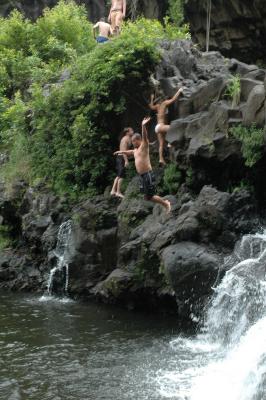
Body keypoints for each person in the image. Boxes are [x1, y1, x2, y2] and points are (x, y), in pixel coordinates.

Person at [114, 117, 171, 213]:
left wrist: (143, 125)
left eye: (133, 141)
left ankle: (166, 204)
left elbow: (144, 136)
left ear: (138, 140)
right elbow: (129, 152)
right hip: (142, 175)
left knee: (150, 196)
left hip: (148, 174)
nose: (132, 143)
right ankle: (165, 202)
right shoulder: (135, 150)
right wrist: (120, 151)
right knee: (147, 197)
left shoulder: (144, 145)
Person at [149, 88, 183, 166]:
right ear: (163, 98)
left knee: (161, 144)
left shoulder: (157, 106)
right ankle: (170, 143)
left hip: (157, 127)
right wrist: (179, 91)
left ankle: (161, 159)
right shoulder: (164, 103)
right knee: (173, 127)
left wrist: (151, 98)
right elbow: (173, 99)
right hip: (161, 126)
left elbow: (151, 106)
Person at [111, 127, 134, 198]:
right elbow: (123, 151)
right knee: (122, 175)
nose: (133, 131)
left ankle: (113, 191)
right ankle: (118, 192)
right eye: (131, 130)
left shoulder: (129, 139)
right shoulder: (125, 139)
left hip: (121, 158)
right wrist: (126, 161)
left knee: (119, 175)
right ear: (127, 132)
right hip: (121, 158)